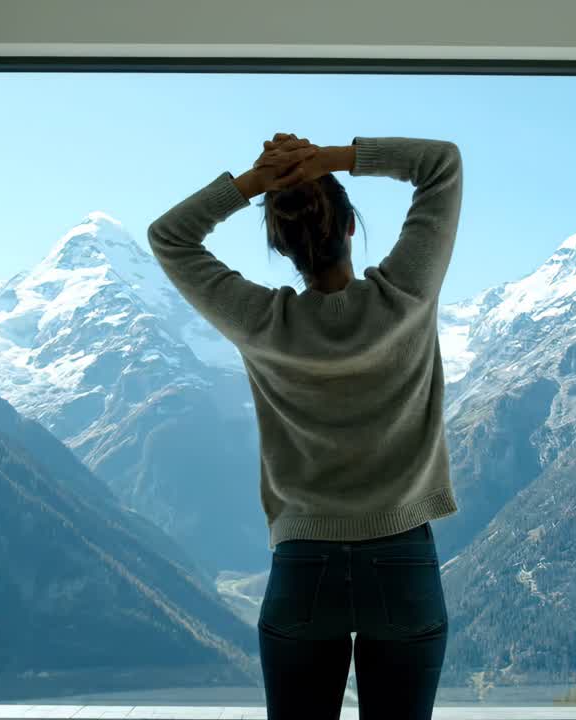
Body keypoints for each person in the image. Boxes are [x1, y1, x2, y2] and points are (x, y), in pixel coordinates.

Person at [147, 133, 463, 719]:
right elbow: (440, 164)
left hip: (302, 566)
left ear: (283, 248)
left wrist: (255, 182)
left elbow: (169, 237)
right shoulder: (407, 296)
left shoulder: (261, 323)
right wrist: (328, 160)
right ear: (349, 227)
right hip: (404, 562)